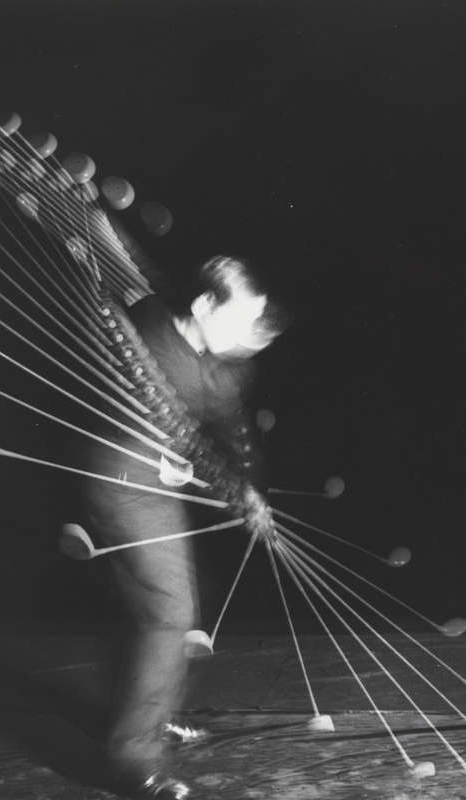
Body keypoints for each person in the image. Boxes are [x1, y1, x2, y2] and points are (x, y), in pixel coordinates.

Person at [69, 254, 289, 799]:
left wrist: (248, 492)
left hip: (155, 488)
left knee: (169, 605)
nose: (251, 335)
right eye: (242, 319)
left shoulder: (221, 362)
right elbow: (120, 403)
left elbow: (231, 427)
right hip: (121, 481)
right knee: (168, 612)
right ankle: (131, 759)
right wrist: (167, 456)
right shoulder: (144, 331)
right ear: (202, 305)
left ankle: (149, 713)